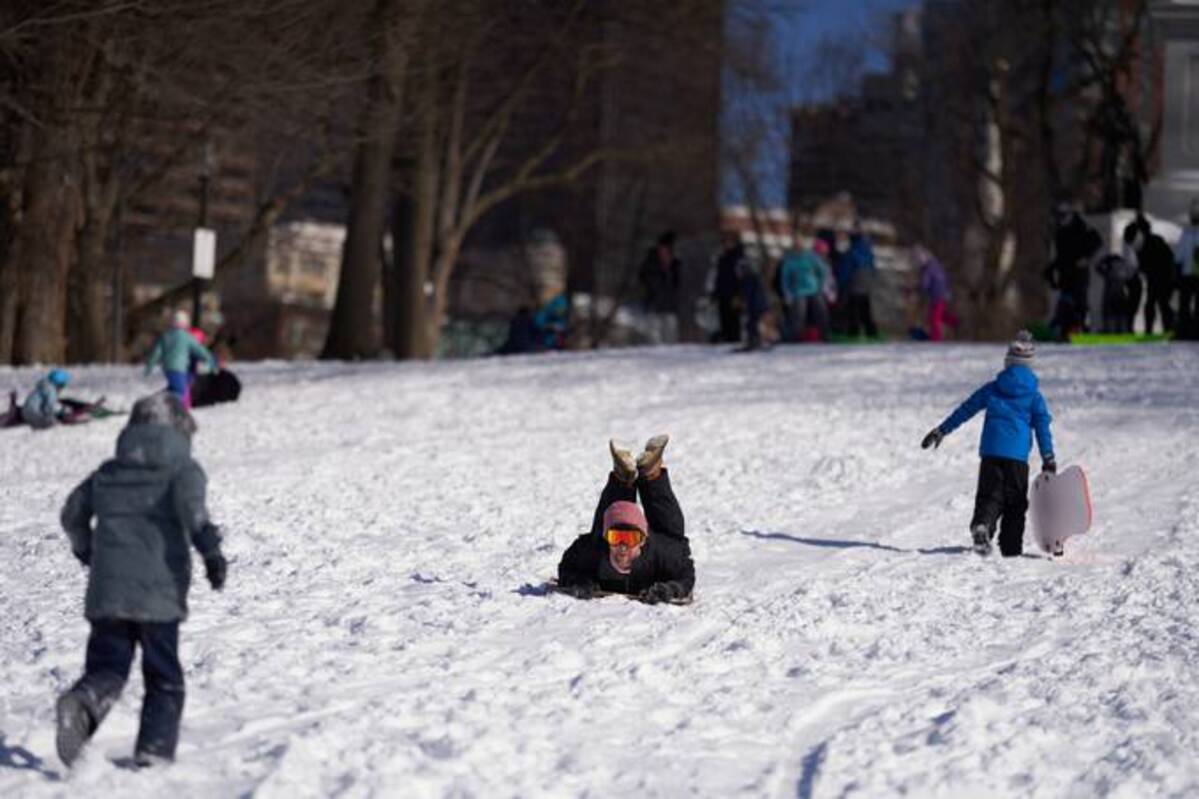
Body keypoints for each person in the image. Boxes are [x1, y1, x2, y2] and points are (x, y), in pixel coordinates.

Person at [55, 392, 228, 768]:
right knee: (163, 676)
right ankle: (153, 752)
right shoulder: (183, 470)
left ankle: (83, 701)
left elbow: (71, 515)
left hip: (108, 592)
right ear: (180, 430)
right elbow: (194, 513)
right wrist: (212, 554)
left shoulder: (108, 472)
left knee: (107, 668)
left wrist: (87, 552)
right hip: (158, 593)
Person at [920, 331, 1056, 557]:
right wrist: (1048, 457)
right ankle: (1011, 550)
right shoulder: (1034, 396)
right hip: (1017, 458)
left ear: (1008, 362)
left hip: (991, 453)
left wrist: (942, 430)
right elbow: (1042, 427)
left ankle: (982, 525)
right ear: (1030, 366)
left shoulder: (993, 388)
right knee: (1014, 503)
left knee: (989, 496)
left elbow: (966, 409)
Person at [557, 435, 695, 603]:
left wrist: (671, 589)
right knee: (614, 515)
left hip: (663, 546)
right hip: (605, 536)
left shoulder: (663, 552)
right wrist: (580, 581)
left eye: (630, 539)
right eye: (616, 538)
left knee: (671, 534)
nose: (622, 547)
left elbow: (685, 575)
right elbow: (568, 567)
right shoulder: (594, 549)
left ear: (643, 540)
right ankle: (630, 475)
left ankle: (644, 475)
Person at [1044, 204, 1102, 340]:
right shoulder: (1060, 232)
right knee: (1064, 305)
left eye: (1063, 216)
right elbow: (1061, 256)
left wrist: (1086, 257)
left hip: (1079, 275)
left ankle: (1084, 329)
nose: (1060, 219)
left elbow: (1097, 241)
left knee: (1080, 304)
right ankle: (1064, 331)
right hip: (1065, 275)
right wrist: (1051, 270)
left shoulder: (1081, 227)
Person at [145, 310, 218, 408]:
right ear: (185, 323)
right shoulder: (186, 337)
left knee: (174, 387)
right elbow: (199, 350)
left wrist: (149, 366)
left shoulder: (165, 336)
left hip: (167, 368)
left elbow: (156, 353)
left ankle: (155, 401)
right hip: (179, 367)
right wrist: (211, 360)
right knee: (180, 390)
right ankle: (174, 408)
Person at [1120, 214, 1173, 335]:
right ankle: (1149, 331)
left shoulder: (1155, 242)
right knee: (1150, 304)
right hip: (1153, 277)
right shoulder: (1138, 243)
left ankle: (1168, 331)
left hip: (1165, 276)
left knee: (1163, 304)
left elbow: (1166, 261)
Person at [778, 238, 831, 342]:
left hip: (814, 290)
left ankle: (825, 336)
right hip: (798, 292)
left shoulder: (811, 257)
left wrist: (820, 286)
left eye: (800, 247)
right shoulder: (790, 261)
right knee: (798, 316)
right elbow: (785, 279)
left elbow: (823, 271)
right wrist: (787, 293)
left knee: (821, 314)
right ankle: (794, 338)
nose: (798, 249)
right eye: (796, 247)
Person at [638, 231, 682, 344]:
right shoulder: (650, 262)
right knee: (653, 340)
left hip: (670, 306)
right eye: (663, 248)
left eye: (668, 249)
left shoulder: (676, 264)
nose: (665, 252)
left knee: (671, 339)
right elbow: (644, 281)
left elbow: (678, 285)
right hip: (653, 305)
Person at [915, 246, 959, 342]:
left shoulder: (928, 268)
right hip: (943, 295)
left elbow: (925, 283)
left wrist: (918, 289)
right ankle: (956, 322)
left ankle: (936, 339)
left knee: (934, 318)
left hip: (938, 296)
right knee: (940, 315)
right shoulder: (936, 265)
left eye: (920, 259)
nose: (919, 261)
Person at [845, 228, 879, 338]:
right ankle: (871, 332)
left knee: (853, 309)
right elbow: (873, 268)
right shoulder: (868, 250)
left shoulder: (852, 251)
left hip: (856, 283)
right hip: (867, 284)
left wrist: (842, 283)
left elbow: (847, 270)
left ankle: (853, 332)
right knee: (866, 308)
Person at [1172, 198, 1199, 337]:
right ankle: (1188, 328)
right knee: (1186, 303)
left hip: (1188, 274)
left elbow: (1178, 256)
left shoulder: (1186, 234)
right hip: (1189, 274)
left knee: (1186, 303)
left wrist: (1177, 269)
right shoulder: (1186, 234)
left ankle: (1187, 329)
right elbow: (1179, 256)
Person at [1095, 252, 1140, 333]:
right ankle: (1111, 332)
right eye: (1115, 264)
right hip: (1112, 298)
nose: (1117, 266)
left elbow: (1098, 267)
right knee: (1112, 318)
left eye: (1118, 264)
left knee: (1119, 317)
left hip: (1119, 298)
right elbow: (1098, 267)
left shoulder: (1119, 274)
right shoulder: (1111, 273)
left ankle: (1119, 332)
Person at [713, 233, 744, 343]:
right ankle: (726, 339)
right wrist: (715, 292)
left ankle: (735, 339)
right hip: (723, 293)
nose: (726, 244)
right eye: (725, 242)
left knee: (734, 319)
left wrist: (740, 293)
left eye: (729, 242)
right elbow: (719, 277)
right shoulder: (722, 258)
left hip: (735, 294)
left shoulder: (739, 258)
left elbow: (741, 277)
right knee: (724, 318)